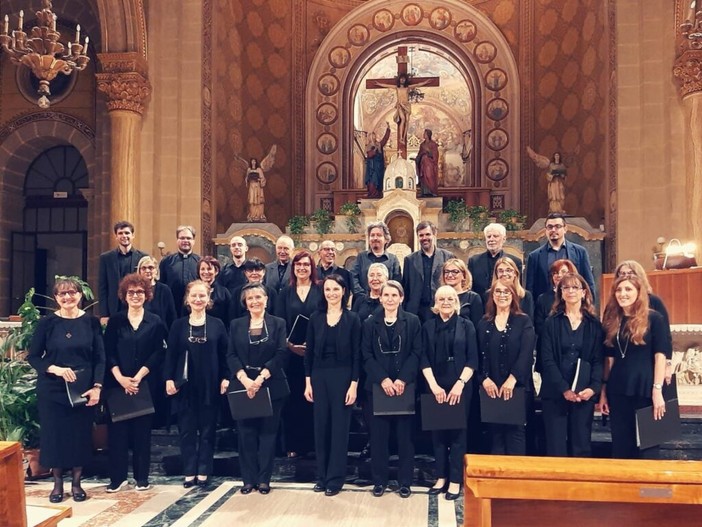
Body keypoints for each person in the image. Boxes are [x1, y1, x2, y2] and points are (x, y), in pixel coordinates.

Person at [27, 277, 105, 503]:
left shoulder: (91, 323)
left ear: (80, 295)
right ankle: (58, 484)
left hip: (82, 388)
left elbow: (100, 358)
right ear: (56, 298)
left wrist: (97, 387)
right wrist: (55, 369)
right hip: (53, 388)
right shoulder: (47, 323)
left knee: (79, 436)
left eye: (72, 293)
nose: (68, 297)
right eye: (62, 294)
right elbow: (33, 357)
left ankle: (77, 483)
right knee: (55, 436)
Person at [103, 273, 167, 492]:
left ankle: (142, 478)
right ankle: (117, 478)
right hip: (117, 384)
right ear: (124, 295)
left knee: (142, 434)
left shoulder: (155, 321)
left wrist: (138, 377)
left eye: (140, 292)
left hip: (144, 384)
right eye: (131, 292)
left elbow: (158, 352)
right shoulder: (116, 321)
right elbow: (108, 351)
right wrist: (120, 378)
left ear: (147, 294)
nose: (136, 296)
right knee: (117, 435)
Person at [165, 280, 230, 487]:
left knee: (208, 432)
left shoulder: (218, 324)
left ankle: (204, 470)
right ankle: (189, 471)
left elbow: (226, 354)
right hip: (185, 386)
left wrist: (226, 377)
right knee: (187, 432)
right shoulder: (178, 325)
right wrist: (168, 379)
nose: (198, 299)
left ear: (208, 299)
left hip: (210, 385)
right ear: (187, 299)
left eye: (202, 296)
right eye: (194, 296)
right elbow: (170, 355)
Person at [600, 275, 671, 459]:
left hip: (646, 387)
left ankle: (649, 487)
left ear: (639, 292)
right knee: (622, 446)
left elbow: (660, 355)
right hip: (618, 388)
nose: (623, 294)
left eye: (628, 289)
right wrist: (603, 390)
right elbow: (609, 358)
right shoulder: (612, 320)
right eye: (619, 290)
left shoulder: (654, 319)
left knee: (650, 446)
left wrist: (657, 390)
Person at [228, 283, 289, 495]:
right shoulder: (236, 325)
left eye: (258, 297)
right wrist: (245, 380)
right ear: (245, 303)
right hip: (243, 387)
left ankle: (264, 480)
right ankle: (248, 480)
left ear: (266, 300)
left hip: (271, 385)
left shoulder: (278, 323)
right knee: (245, 435)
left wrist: (261, 378)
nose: (255, 301)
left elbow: (282, 353)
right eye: (250, 298)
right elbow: (231, 355)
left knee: (268, 435)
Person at [361, 280, 421, 498]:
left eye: (394, 295)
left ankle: (405, 481)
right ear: (380, 297)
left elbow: (416, 353)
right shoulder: (369, 323)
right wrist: (383, 379)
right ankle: (379, 481)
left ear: (401, 298)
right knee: (378, 438)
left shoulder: (413, 321)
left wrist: (402, 379)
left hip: (404, 388)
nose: (390, 299)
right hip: (377, 389)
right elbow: (366, 355)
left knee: (405, 439)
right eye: (386, 295)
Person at [304, 275, 361, 496]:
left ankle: (335, 479)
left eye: (335, 289)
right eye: (327, 289)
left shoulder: (353, 319)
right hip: (318, 376)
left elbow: (357, 354)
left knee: (339, 429)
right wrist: (307, 382)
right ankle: (321, 476)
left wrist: (354, 384)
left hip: (344, 377)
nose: (331, 293)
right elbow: (308, 354)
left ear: (344, 291)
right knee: (321, 428)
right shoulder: (315, 317)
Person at [421, 285, 478, 500]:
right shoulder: (427, 326)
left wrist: (460, 383)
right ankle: (441, 477)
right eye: (442, 298)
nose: (446, 302)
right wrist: (434, 386)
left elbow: (473, 359)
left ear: (457, 301)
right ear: (436, 302)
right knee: (438, 435)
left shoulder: (467, 325)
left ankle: (455, 480)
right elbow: (423, 358)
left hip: (460, 385)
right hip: (434, 384)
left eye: (450, 298)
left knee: (457, 436)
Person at [539, 273, 603, 457]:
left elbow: (598, 359)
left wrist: (593, 388)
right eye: (566, 288)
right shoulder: (551, 322)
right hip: (555, 393)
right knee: (555, 445)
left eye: (575, 287)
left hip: (584, 394)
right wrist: (564, 389)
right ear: (561, 293)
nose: (570, 291)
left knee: (581, 445)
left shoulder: (594, 325)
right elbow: (547, 359)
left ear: (584, 292)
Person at [477, 282, 535, 455]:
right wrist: (484, 379)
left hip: (516, 386)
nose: (502, 295)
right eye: (498, 291)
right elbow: (478, 354)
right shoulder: (484, 322)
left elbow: (526, 353)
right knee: (495, 434)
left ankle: (515, 479)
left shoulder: (523, 320)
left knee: (515, 433)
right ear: (492, 295)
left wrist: (512, 379)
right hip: (490, 387)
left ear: (513, 295)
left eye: (506, 292)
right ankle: (497, 480)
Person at [275, 250, 323, 458]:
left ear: (312, 267)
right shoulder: (285, 292)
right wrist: (289, 345)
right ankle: (293, 444)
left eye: (305, 264)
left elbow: (325, 317)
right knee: (293, 399)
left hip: (316, 353)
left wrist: (312, 346)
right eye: (298, 265)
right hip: (291, 354)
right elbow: (279, 321)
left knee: (314, 399)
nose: (302, 268)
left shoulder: (321, 290)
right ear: (293, 268)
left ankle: (313, 443)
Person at [614, 260, 673, 383]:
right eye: (621, 274)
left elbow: (665, 337)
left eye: (630, 273)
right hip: (623, 367)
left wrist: (667, 364)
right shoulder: (615, 304)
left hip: (648, 364)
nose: (625, 276)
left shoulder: (654, 301)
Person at [525, 213, 596, 303]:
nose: (553, 230)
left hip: (574, 306)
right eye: (550, 227)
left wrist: (589, 307)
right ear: (546, 230)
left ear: (565, 229)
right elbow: (530, 289)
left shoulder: (580, 252)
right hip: (546, 309)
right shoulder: (534, 256)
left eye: (557, 226)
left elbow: (589, 283)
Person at [402, 220, 454, 322]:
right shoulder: (409, 260)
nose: (424, 238)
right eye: (421, 235)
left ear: (434, 234)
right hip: (416, 311)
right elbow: (406, 287)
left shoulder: (447, 256)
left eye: (427, 234)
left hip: (440, 308)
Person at [98, 220, 148, 323]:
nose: (124, 236)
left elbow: (147, 286)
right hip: (114, 307)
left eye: (127, 233)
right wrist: (104, 314)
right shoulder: (106, 258)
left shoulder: (143, 257)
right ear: (116, 236)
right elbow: (102, 287)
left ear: (133, 235)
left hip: (136, 304)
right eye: (120, 233)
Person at [468, 223, 523, 298]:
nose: (491, 239)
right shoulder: (474, 261)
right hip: (480, 305)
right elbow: (470, 287)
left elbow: (518, 286)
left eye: (495, 236)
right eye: (489, 236)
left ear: (504, 239)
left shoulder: (515, 261)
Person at [159, 225, 201, 316]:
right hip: (172, 307)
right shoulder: (166, 262)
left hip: (195, 307)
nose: (185, 241)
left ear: (194, 241)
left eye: (188, 238)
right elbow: (161, 284)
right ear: (177, 240)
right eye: (182, 238)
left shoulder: (200, 262)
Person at [351, 221, 402, 295]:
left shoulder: (392, 260)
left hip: (385, 302)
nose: (375, 238)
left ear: (386, 239)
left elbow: (396, 282)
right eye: (372, 235)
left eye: (379, 235)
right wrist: (362, 296)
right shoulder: (361, 257)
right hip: (363, 301)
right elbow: (353, 278)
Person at [534, 259, 578, 343]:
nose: (558, 275)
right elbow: (539, 327)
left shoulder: (577, 297)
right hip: (548, 344)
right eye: (555, 273)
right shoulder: (543, 299)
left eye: (563, 272)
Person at [441, 258, 484, 330]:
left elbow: (477, 326)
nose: (450, 275)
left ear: (463, 275)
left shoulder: (473, 297)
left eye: (455, 271)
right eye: (447, 272)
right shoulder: (439, 296)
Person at [138, 255, 177, 329]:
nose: (147, 271)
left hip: (160, 331)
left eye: (150, 268)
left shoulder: (165, 290)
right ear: (139, 271)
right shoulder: (135, 290)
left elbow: (171, 316)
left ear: (156, 270)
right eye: (144, 268)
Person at [526, 147, 567, 214]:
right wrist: (553, 175)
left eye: (558, 155)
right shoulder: (551, 165)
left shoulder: (562, 165)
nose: (557, 157)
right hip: (553, 183)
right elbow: (548, 174)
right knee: (554, 197)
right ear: (554, 157)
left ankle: (560, 209)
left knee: (560, 196)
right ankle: (554, 210)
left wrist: (561, 175)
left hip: (559, 182)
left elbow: (564, 176)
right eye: (556, 155)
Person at [198, 256, 231, 327]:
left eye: (209, 269)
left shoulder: (224, 292)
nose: (205, 272)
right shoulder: (193, 291)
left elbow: (230, 317)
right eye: (202, 269)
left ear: (216, 271)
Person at [365, 124, 391, 198]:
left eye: (374, 136)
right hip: (371, 168)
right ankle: (372, 194)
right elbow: (369, 155)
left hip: (378, 167)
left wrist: (388, 130)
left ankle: (376, 194)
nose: (373, 138)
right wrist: (374, 150)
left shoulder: (379, 145)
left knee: (377, 181)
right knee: (372, 181)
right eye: (371, 136)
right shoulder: (368, 146)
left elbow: (385, 139)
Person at [416, 129, 440, 197]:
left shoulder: (433, 144)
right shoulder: (422, 145)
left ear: (428, 135)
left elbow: (435, 155)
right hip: (423, 164)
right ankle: (424, 192)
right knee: (423, 177)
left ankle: (432, 191)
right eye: (424, 133)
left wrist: (429, 153)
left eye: (425, 134)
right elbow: (419, 154)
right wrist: (418, 158)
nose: (424, 135)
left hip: (430, 165)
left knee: (430, 177)